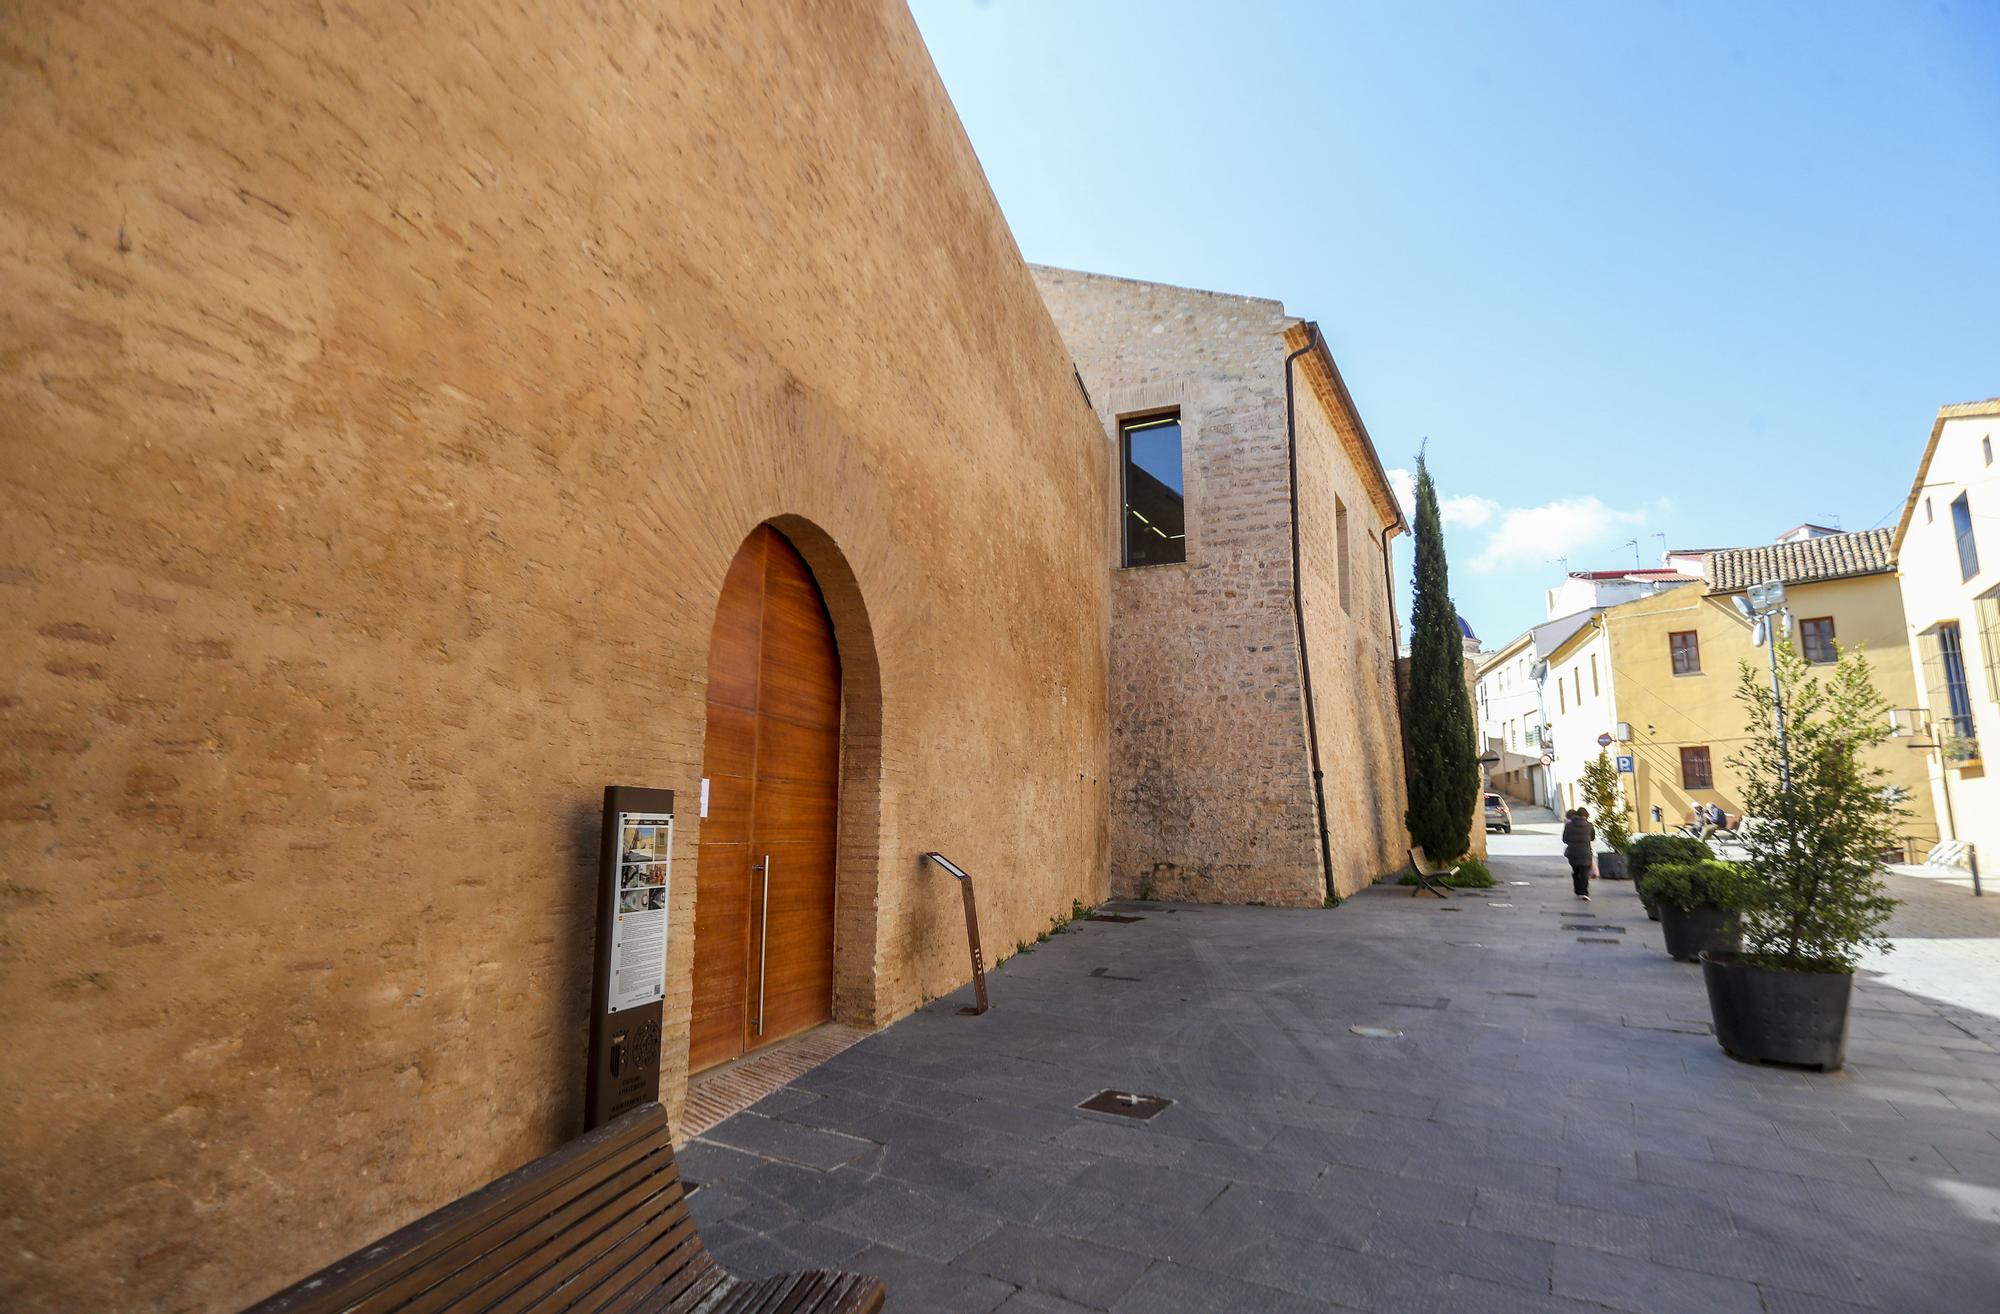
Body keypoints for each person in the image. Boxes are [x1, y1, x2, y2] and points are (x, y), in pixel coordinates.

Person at [1562, 806, 1595, 900]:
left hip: (1572, 853)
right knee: (1584, 872)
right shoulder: (1590, 825)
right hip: (1586, 852)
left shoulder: (1568, 826)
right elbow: (1592, 838)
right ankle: (1584, 892)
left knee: (1576, 871)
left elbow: (1564, 839)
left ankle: (1577, 890)